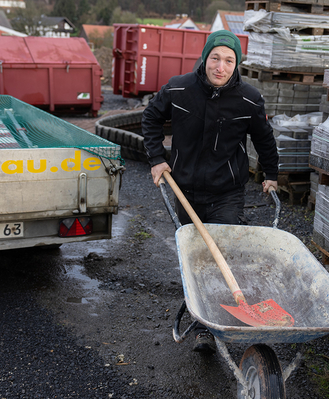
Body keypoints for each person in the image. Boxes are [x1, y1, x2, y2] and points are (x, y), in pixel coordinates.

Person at [142, 30, 279, 354]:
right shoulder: (179, 88)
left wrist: (271, 175)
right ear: (205, 58)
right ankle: (205, 319)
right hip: (185, 189)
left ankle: (214, 322)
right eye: (215, 58)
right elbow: (150, 117)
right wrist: (157, 159)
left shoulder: (248, 98)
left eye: (229, 60)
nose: (221, 66)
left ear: (237, 64)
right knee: (197, 257)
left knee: (222, 254)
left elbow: (264, 139)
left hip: (226, 192)